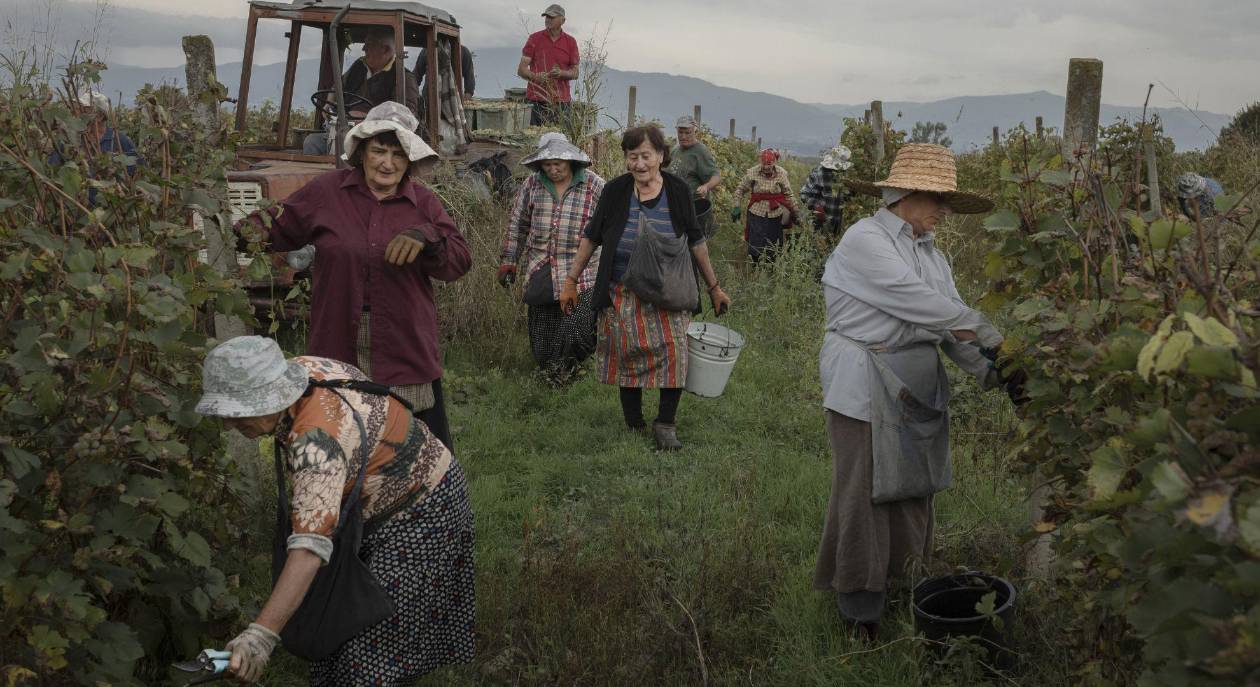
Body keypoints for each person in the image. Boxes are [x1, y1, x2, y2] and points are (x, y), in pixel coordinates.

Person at [813, 143, 1023, 640]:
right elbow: (925, 306)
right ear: (905, 194)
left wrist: (1001, 373)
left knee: (912, 490)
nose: (944, 211)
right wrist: (996, 341)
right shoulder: (865, 241)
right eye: (936, 198)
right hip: (864, 382)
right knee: (866, 493)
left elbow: (950, 320)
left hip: (914, 385)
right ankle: (860, 612)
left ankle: (905, 587)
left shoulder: (932, 254)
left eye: (947, 200)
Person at [197, 336, 474, 685]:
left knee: (371, 645)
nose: (228, 423)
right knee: (339, 628)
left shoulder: (317, 444)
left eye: (237, 411)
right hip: (376, 504)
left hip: (424, 510)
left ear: (271, 397)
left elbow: (309, 551)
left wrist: (260, 636)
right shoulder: (300, 372)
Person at [241, 102, 471, 453]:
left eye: (397, 153)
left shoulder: (423, 204)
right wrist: (230, 230)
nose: (387, 163)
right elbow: (277, 225)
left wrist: (427, 237)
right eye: (379, 151)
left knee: (409, 445)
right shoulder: (327, 193)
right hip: (338, 337)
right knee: (341, 437)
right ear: (361, 152)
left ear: (409, 158)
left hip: (401, 342)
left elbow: (458, 261)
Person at [560, 126, 731, 451]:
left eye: (646, 156)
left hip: (671, 290)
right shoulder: (615, 191)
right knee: (628, 355)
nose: (639, 164)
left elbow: (697, 241)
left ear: (661, 157)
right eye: (632, 156)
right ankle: (634, 421)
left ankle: (665, 423)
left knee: (675, 355)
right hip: (623, 290)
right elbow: (592, 236)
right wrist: (570, 281)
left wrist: (714, 288)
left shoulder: (679, 191)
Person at [499, 132, 606, 382]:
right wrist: (509, 260)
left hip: (583, 271)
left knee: (577, 327)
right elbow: (518, 225)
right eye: (547, 165)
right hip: (542, 267)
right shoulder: (532, 185)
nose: (553, 169)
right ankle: (550, 374)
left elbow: (611, 225)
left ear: (570, 162)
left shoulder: (594, 185)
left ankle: (572, 372)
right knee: (543, 334)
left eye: (558, 164)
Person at [304, 28, 421, 155]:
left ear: (386, 50)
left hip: (375, 139)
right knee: (312, 142)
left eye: (369, 44)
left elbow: (407, 117)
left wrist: (368, 118)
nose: (363, 48)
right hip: (344, 130)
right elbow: (337, 86)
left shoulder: (404, 78)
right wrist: (329, 101)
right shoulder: (359, 66)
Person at [731, 149, 806, 261]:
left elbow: (788, 194)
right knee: (756, 241)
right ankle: (755, 264)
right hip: (756, 212)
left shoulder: (781, 173)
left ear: (774, 162)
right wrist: (736, 205)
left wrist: (796, 211)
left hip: (775, 213)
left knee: (774, 243)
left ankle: (771, 265)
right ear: (760, 161)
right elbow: (740, 189)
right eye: (764, 164)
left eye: (769, 164)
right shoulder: (753, 172)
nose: (766, 167)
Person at [517, 4, 579, 126]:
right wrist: (535, 77)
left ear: (562, 20)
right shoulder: (534, 38)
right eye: (546, 16)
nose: (548, 19)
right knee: (535, 141)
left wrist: (561, 73)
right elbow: (521, 70)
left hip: (561, 102)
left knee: (560, 141)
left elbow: (575, 72)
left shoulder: (570, 42)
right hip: (536, 101)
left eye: (552, 17)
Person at [669, 115, 722, 237]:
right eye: (680, 132)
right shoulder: (675, 150)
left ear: (695, 132)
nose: (683, 136)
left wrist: (706, 186)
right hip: (676, 207)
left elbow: (716, 175)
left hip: (694, 209)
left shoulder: (700, 151)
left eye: (687, 132)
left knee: (694, 245)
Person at [799, 145, 852, 236]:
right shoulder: (819, 173)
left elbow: (850, 196)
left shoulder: (848, 174)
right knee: (818, 246)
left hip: (839, 221)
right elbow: (804, 194)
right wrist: (817, 207)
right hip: (821, 221)